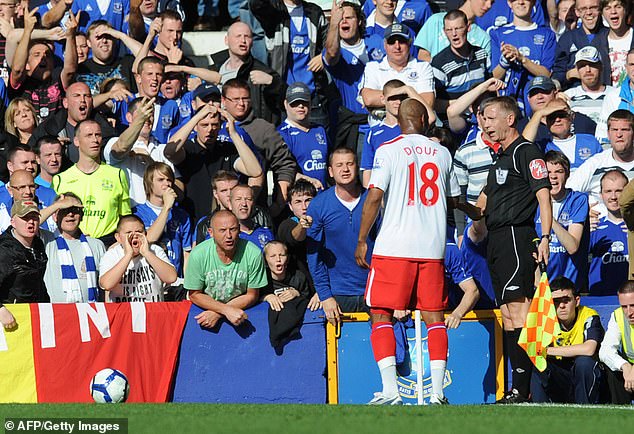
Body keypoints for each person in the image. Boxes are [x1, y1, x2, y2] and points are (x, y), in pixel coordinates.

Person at [354, 98, 479, 405]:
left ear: (399, 121)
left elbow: (373, 198)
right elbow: (451, 199)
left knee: (380, 313)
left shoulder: (388, 150)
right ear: (424, 121)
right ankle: (437, 393)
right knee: (435, 316)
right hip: (433, 247)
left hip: (394, 247)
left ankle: (391, 390)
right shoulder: (442, 153)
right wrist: (473, 209)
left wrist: (362, 239)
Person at [479, 96, 552, 403]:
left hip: (515, 236)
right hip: (495, 239)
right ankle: (515, 389)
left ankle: (525, 389)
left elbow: (544, 197)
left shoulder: (526, 151)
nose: (486, 124)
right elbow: (481, 207)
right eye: (483, 119)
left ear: (510, 120)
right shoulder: (500, 158)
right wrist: (454, 204)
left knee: (519, 311)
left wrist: (545, 236)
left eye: (491, 118)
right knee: (507, 316)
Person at [307, 147, 376, 320]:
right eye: (339, 165)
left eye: (349, 164)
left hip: (375, 290)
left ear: (357, 167)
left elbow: (390, 248)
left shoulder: (374, 201)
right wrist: (325, 295)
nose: (345, 169)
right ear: (330, 171)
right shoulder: (319, 205)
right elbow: (314, 255)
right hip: (338, 295)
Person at [165, 103, 262, 221]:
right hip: (193, 220)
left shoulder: (227, 149)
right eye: (204, 125)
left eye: (215, 125)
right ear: (195, 127)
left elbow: (255, 171)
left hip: (225, 222)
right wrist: (196, 117)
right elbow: (169, 151)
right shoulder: (188, 149)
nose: (210, 129)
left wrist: (234, 134)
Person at [51, 120, 131, 246]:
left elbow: (125, 217)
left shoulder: (117, 175)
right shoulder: (61, 179)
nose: (95, 140)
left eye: (98, 135)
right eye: (89, 135)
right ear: (76, 141)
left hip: (109, 245)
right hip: (73, 244)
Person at [185, 210, 268, 329]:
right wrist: (225, 310)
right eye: (222, 230)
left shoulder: (253, 253)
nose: (228, 235)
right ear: (211, 232)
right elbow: (194, 294)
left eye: (233, 229)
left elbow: (252, 295)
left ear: (239, 230)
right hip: (204, 316)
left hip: (240, 315)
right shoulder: (198, 254)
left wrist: (218, 313)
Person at [530, 276, 604, 403]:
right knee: (539, 365)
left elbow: (589, 349)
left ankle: (585, 410)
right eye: (556, 301)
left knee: (584, 362)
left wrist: (548, 350)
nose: (562, 306)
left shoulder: (588, 315)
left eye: (566, 300)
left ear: (577, 301)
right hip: (560, 377)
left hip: (583, 375)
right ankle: (540, 413)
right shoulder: (546, 319)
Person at [103, 96, 177, 207]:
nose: (147, 118)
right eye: (142, 113)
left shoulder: (162, 149)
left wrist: (151, 163)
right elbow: (121, 147)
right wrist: (140, 120)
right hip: (128, 217)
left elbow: (175, 188)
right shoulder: (114, 141)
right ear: (129, 117)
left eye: (150, 114)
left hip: (158, 215)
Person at [8, 8, 78, 120]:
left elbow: (70, 71)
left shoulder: (57, 77)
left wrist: (70, 36)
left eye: (47, 55)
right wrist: (27, 32)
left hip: (57, 135)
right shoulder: (22, 82)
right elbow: (17, 70)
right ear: (27, 64)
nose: (43, 57)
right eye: (36, 54)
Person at [490, 0, 556, 115]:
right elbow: (494, 77)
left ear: (534, 2)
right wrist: (505, 62)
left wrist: (522, 59)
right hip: (508, 105)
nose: (520, 2)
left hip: (537, 103)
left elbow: (546, 74)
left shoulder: (547, 34)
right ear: (509, 3)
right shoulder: (498, 34)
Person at [27, 81, 117, 165]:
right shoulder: (49, 128)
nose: (82, 100)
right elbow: (29, 154)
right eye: (77, 95)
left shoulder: (104, 129)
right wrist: (52, 147)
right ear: (65, 103)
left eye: (87, 96)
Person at [536, 151, 589, 291]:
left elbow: (572, 246)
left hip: (569, 287)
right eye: (548, 172)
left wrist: (548, 216)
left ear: (567, 174)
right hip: (541, 286)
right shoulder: (533, 202)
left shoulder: (578, 200)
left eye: (559, 171)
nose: (553, 176)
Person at [210, 21, 282, 124]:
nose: (243, 40)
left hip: (249, 131)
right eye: (238, 36)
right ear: (226, 40)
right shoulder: (215, 69)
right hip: (218, 129)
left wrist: (272, 82)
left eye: (247, 36)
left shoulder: (262, 72)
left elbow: (285, 97)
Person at [322, 0, 370, 151]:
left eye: (349, 17)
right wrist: (333, 24)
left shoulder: (376, 42)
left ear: (360, 21)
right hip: (356, 125)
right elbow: (331, 53)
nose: (344, 20)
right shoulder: (337, 51)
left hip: (384, 120)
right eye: (340, 18)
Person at [360, 23, 435, 116]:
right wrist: (409, 92)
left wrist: (386, 100)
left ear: (410, 43)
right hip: (380, 126)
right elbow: (369, 99)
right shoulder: (373, 67)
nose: (397, 46)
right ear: (385, 45)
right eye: (391, 42)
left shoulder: (423, 67)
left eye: (402, 41)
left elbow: (427, 102)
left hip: (412, 127)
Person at [99, 214, 177, 302]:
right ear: (118, 237)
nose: (134, 236)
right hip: (123, 313)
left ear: (145, 234)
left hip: (152, 311)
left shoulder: (155, 251)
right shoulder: (112, 255)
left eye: (139, 232)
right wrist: (128, 255)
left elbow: (171, 278)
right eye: (128, 233)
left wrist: (147, 253)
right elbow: (107, 284)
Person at [44, 193, 106, 303]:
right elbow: (27, 223)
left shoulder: (97, 245)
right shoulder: (46, 241)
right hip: (54, 314)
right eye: (64, 210)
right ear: (54, 216)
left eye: (75, 210)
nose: (70, 214)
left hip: (90, 312)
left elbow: (105, 285)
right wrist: (55, 206)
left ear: (81, 215)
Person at [430, 9, 490, 121]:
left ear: (468, 28)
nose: (454, 34)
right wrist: (464, 104)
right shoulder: (439, 63)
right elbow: (434, 104)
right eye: (449, 30)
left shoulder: (481, 54)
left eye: (458, 28)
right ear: (444, 31)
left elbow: (489, 85)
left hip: (482, 119)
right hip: (453, 124)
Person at [567, 110, 634, 208]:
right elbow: (568, 195)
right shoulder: (595, 163)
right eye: (614, 130)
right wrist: (582, 212)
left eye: (624, 130)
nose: (619, 135)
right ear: (608, 133)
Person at [135, 162, 192, 279]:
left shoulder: (182, 215)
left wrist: (187, 283)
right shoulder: (137, 213)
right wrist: (166, 208)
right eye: (161, 180)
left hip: (176, 280)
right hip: (149, 279)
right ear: (149, 183)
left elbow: (187, 253)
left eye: (169, 180)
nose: (167, 184)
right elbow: (148, 239)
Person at [524, 99, 602, 170]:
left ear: (572, 117)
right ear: (545, 121)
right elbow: (524, 144)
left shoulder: (590, 141)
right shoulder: (542, 146)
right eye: (552, 116)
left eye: (562, 115)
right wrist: (539, 113)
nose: (557, 120)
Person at [0, 199, 49, 312]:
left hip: (35, 314)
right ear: (13, 222)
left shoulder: (38, 245)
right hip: (10, 317)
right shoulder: (4, 249)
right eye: (25, 218)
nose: (31, 222)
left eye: (35, 217)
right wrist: (1, 310)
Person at [277, 82, 329, 188]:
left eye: (304, 102)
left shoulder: (320, 130)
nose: (300, 106)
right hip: (298, 199)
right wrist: (309, 181)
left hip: (322, 196)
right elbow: (281, 170)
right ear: (286, 104)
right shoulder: (281, 133)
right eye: (295, 103)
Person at [564, 45, 620, 137]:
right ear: (577, 70)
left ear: (601, 67)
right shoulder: (568, 96)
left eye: (592, 65)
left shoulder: (615, 94)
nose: (587, 70)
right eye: (582, 66)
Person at [588, 170, 629, 296]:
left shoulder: (632, 228)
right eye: (608, 191)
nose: (613, 197)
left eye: (618, 191)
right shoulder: (592, 228)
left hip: (630, 300)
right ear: (601, 195)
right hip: (600, 299)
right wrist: (582, 229)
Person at [75, 20, 140, 95]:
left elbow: (148, 59)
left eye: (108, 36)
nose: (104, 40)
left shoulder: (127, 62)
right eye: (98, 37)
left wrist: (121, 36)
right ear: (89, 43)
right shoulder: (81, 69)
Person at [414, 0, 492, 62]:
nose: (489, 5)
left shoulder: (483, 37)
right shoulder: (436, 21)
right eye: (484, 0)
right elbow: (422, 56)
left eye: (492, 2)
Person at [552, 0, 604, 87]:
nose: (588, 12)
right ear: (577, 12)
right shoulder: (567, 38)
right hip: (575, 95)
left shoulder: (610, 35)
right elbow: (558, 74)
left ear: (600, 9)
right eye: (583, 9)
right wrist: (568, 75)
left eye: (593, 8)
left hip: (606, 94)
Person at [599, 280, 634, 404]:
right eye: (624, 306)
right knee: (611, 367)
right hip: (629, 374)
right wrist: (625, 366)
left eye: (633, 305)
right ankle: (620, 413)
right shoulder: (617, 316)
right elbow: (605, 351)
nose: (629, 312)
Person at [591, 0, 634, 87]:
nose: (613, 12)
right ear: (602, 13)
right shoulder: (597, 42)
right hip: (608, 96)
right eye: (607, 8)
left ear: (625, 10)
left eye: (618, 7)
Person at [228, 184, 274, 251]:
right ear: (230, 204)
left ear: (254, 204)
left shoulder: (266, 233)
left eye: (248, 199)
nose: (244, 204)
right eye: (238, 199)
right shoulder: (223, 235)